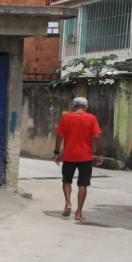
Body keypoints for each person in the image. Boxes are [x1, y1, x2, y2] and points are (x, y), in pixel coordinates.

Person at [54, 95, 103, 223]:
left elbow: (60, 136)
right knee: (83, 184)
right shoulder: (91, 118)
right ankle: (79, 213)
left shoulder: (66, 118)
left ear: (74, 106)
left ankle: (68, 203)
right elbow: (97, 137)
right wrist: (100, 153)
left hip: (69, 156)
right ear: (86, 107)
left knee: (66, 181)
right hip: (85, 157)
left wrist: (57, 152)